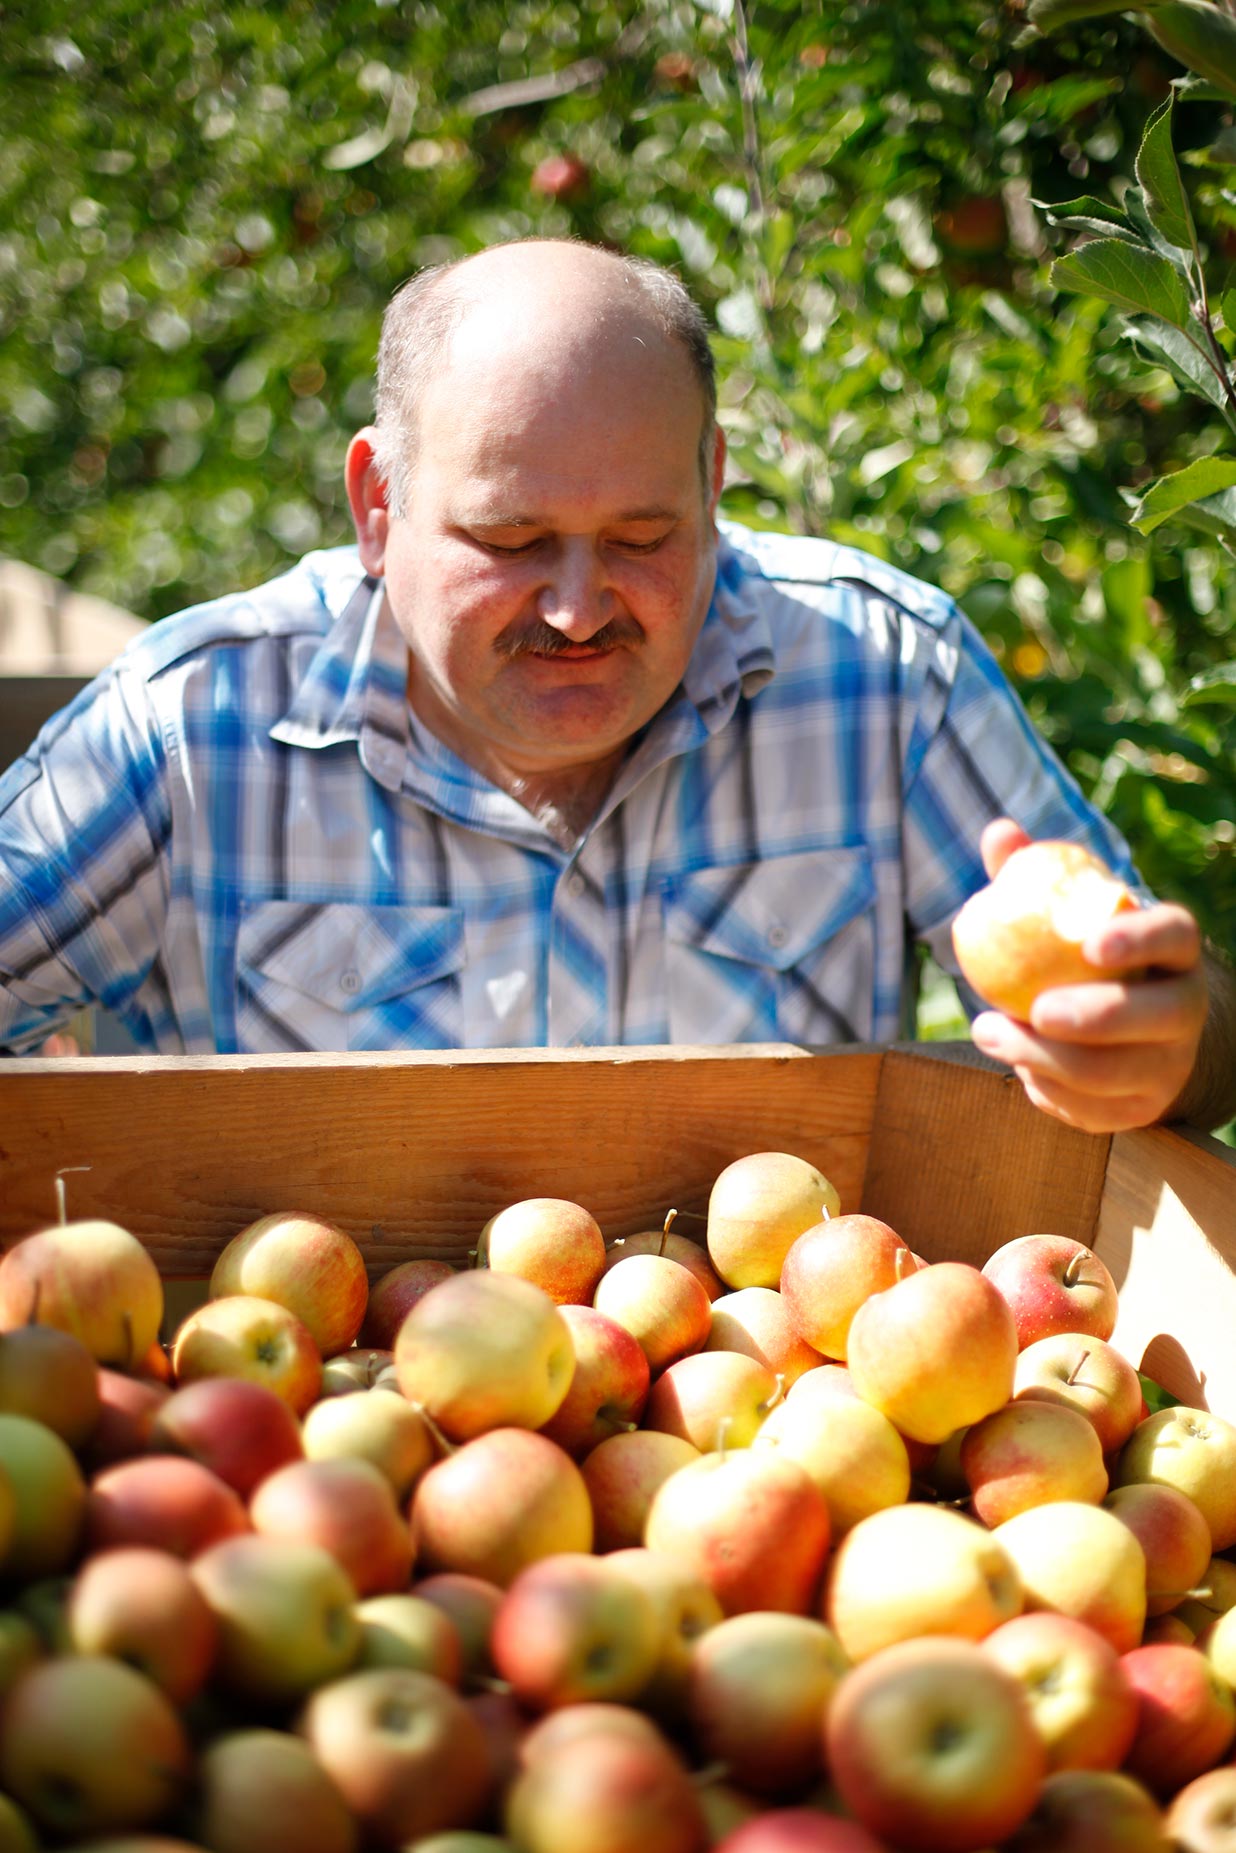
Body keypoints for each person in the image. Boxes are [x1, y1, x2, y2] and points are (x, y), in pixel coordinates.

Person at [1, 238, 1232, 1135]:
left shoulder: (881, 679)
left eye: (643, 536)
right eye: (511, 539)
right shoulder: (186, 732)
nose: (579, 607)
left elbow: (1175, 1026)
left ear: (713, 481)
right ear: (380, 506)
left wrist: (1165, 1045)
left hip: (781, 1436)